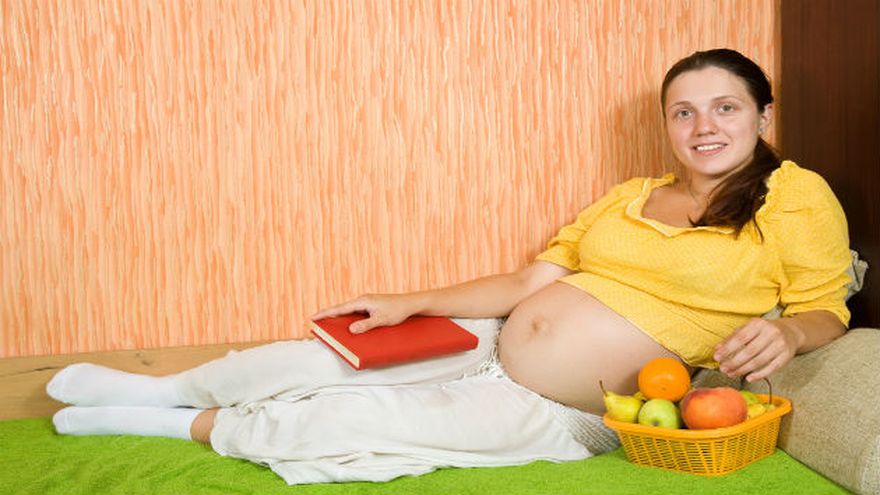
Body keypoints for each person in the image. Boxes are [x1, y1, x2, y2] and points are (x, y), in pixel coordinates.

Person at [46, 49, 853, 485]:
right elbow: (533, 281)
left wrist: (789, 333)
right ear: (667, 125)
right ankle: (164, 387)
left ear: (762, 115)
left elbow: (827, 307)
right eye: (684, 110)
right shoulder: (631, 196)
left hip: (567, 408)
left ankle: (178, 425)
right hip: (492, 341)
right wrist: (413, 301)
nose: (703, 124)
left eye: (725, 107)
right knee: (311, 359)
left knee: (351, 422)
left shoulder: (793, 195)